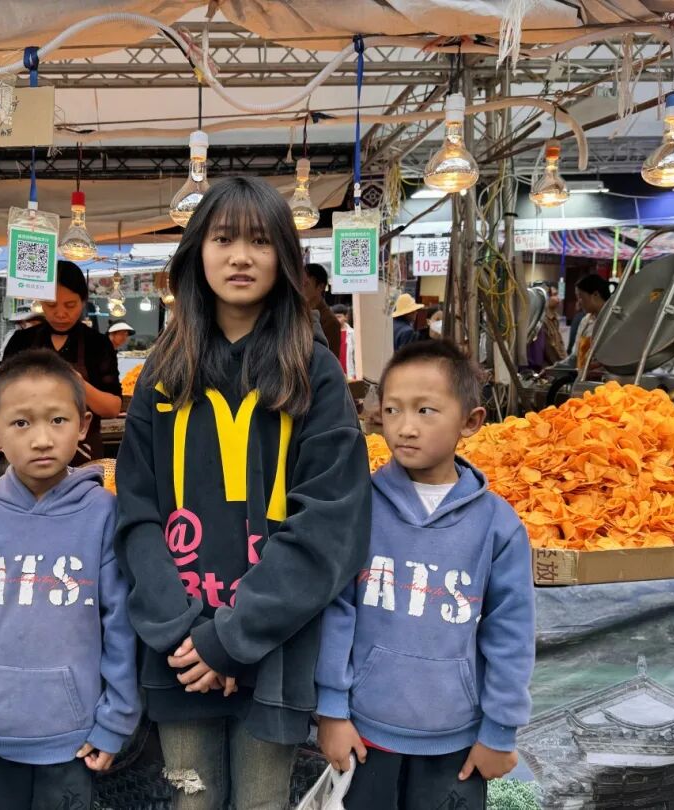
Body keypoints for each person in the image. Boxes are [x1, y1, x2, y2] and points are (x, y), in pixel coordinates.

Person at [114, 176, 371, 810]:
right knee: (192, 800)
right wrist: (185, 632)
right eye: (223, 239)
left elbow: (330, 522)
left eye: (260, 241)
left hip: (275, 647)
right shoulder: (162, 374)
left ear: (285, 257)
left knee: (262, 803)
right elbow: (137, 511)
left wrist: (231, 638)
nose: (240, 257)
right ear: (197, 253)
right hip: (178, 650)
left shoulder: (314, 373)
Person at [316, 340, 535, 810]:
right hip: (365, 733)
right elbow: (337, 609)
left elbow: (511, 633)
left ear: (471, 422)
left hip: (456, 741)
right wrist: (331, 710)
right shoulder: (359, 508)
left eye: (426, 410)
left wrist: (499, 731)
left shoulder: (497, 525)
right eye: (392, 410)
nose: (406, 427)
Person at [0, 350, 140, 810]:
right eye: (21, 423)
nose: (42, 439)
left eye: (58, 421)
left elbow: (120, 628)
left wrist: (116, 718)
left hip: (71, 737)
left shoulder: (103, 515)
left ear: (82, 426)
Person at [4, 261, 123, 462]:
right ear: (40, 301)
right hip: (27, 448)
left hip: (84, 452)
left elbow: (112, 408)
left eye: (70, 305)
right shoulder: (21, 341)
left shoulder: (98, 344)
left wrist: (78, 383)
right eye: (51, 305)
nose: (60, 313)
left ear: (83, 302)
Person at [302, 262, 342, 354]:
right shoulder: (298, 314)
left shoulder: (330, 322)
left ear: (320, 287)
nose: (300, 288)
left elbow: (331, 358)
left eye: (305, 284)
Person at [541, 287, 566, 366]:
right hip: (550, 366)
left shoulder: (555, 319)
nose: (558, 298)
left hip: (559, 364)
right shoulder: (543, 320)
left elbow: (559, 344)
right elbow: (549, 350)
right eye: (555, 295)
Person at [332, 304, 357, 379]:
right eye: (334, 317)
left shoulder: (352, 333)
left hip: (350, 373)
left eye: (339, 317)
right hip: (336, 372)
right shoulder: (330, 333)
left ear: (346, 317)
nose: (336, 319)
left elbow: (355, 355)